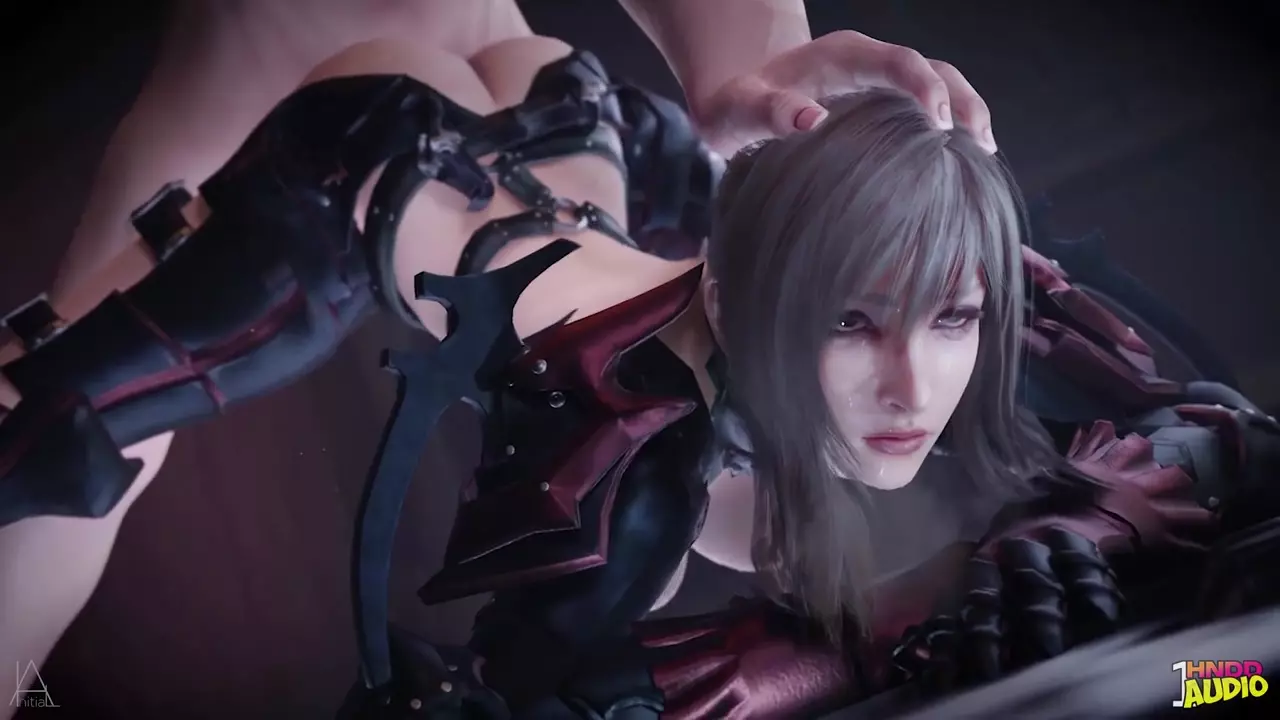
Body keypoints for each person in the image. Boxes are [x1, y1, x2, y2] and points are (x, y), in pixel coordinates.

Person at [1, 2, 1274, 719]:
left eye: (951, 323)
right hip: (363, 152)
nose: (914, 392)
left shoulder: (918, 286)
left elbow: (1224, 474)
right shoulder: (638, 473)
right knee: (67, 438)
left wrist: (1218, 680)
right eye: (857, 328)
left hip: (579, 139)